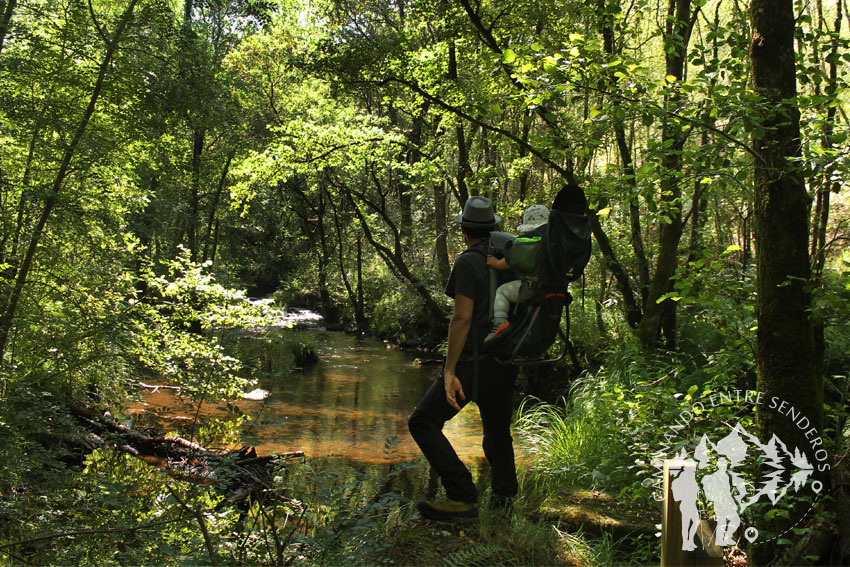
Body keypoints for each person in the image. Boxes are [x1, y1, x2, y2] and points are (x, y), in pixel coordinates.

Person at [408, 196, 519, 520]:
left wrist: (449, 371)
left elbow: (462, 318)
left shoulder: (468, 262)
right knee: (498, 431)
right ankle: (504, 501)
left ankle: (461, 496)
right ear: (493, 227)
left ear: (464, 229)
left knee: (423, 422)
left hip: (475, 363)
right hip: (506, 360)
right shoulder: (510, 259)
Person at [483, 204, 549, 345]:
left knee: (502, 292)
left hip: (532, 288)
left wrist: (495, 263)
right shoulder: (553, 244)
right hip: (551, 288)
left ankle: (500, 322)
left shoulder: (530, 244)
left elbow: (511, 261)